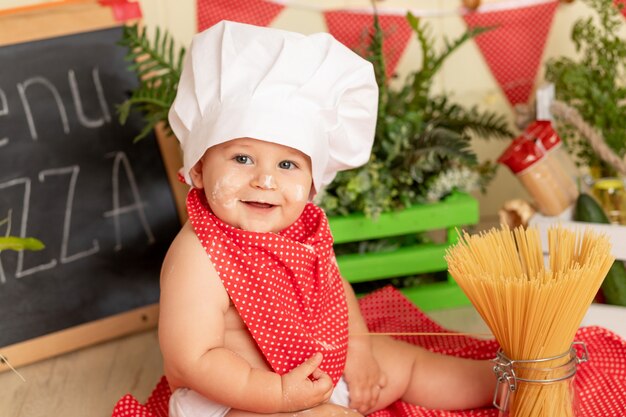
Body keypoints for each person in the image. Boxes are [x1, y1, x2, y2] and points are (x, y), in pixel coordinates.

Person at [159, 20, 496, 417]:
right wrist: (278, 394)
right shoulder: (199, 254)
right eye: (242, 158)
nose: (265, 179)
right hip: (234, 398)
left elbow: (333, 293)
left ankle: (502, 384)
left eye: (288, 164)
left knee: (403, 360)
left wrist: (358, 351)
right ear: (198, 168)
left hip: (314, 373)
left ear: (314, 184)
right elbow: (193, 359)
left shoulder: (303, 232)